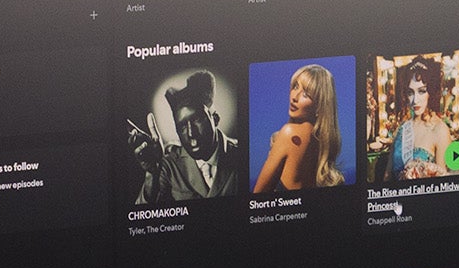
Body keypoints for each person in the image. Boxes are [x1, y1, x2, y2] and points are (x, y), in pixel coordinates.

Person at [127, 70, 240, 202]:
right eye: (182, 127)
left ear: (215, 119)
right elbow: (143, 217)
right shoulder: (170, 164)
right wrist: (152, 174)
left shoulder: (242, 153)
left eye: (197, 119)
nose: (191, 134)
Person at [253, 63, 345, 193]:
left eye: (306, 94)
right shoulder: (321, 141)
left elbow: (258, 197)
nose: (294, 97)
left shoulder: (290, 133)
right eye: (295, 86)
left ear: (320, 105)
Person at [389, 57, 459, 180]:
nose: (415, 100)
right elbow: (387, 175)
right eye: (410, 93)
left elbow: (442, 184)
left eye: (421, 91)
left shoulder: (440, 130)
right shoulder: (403, 128)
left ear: (431, 92)